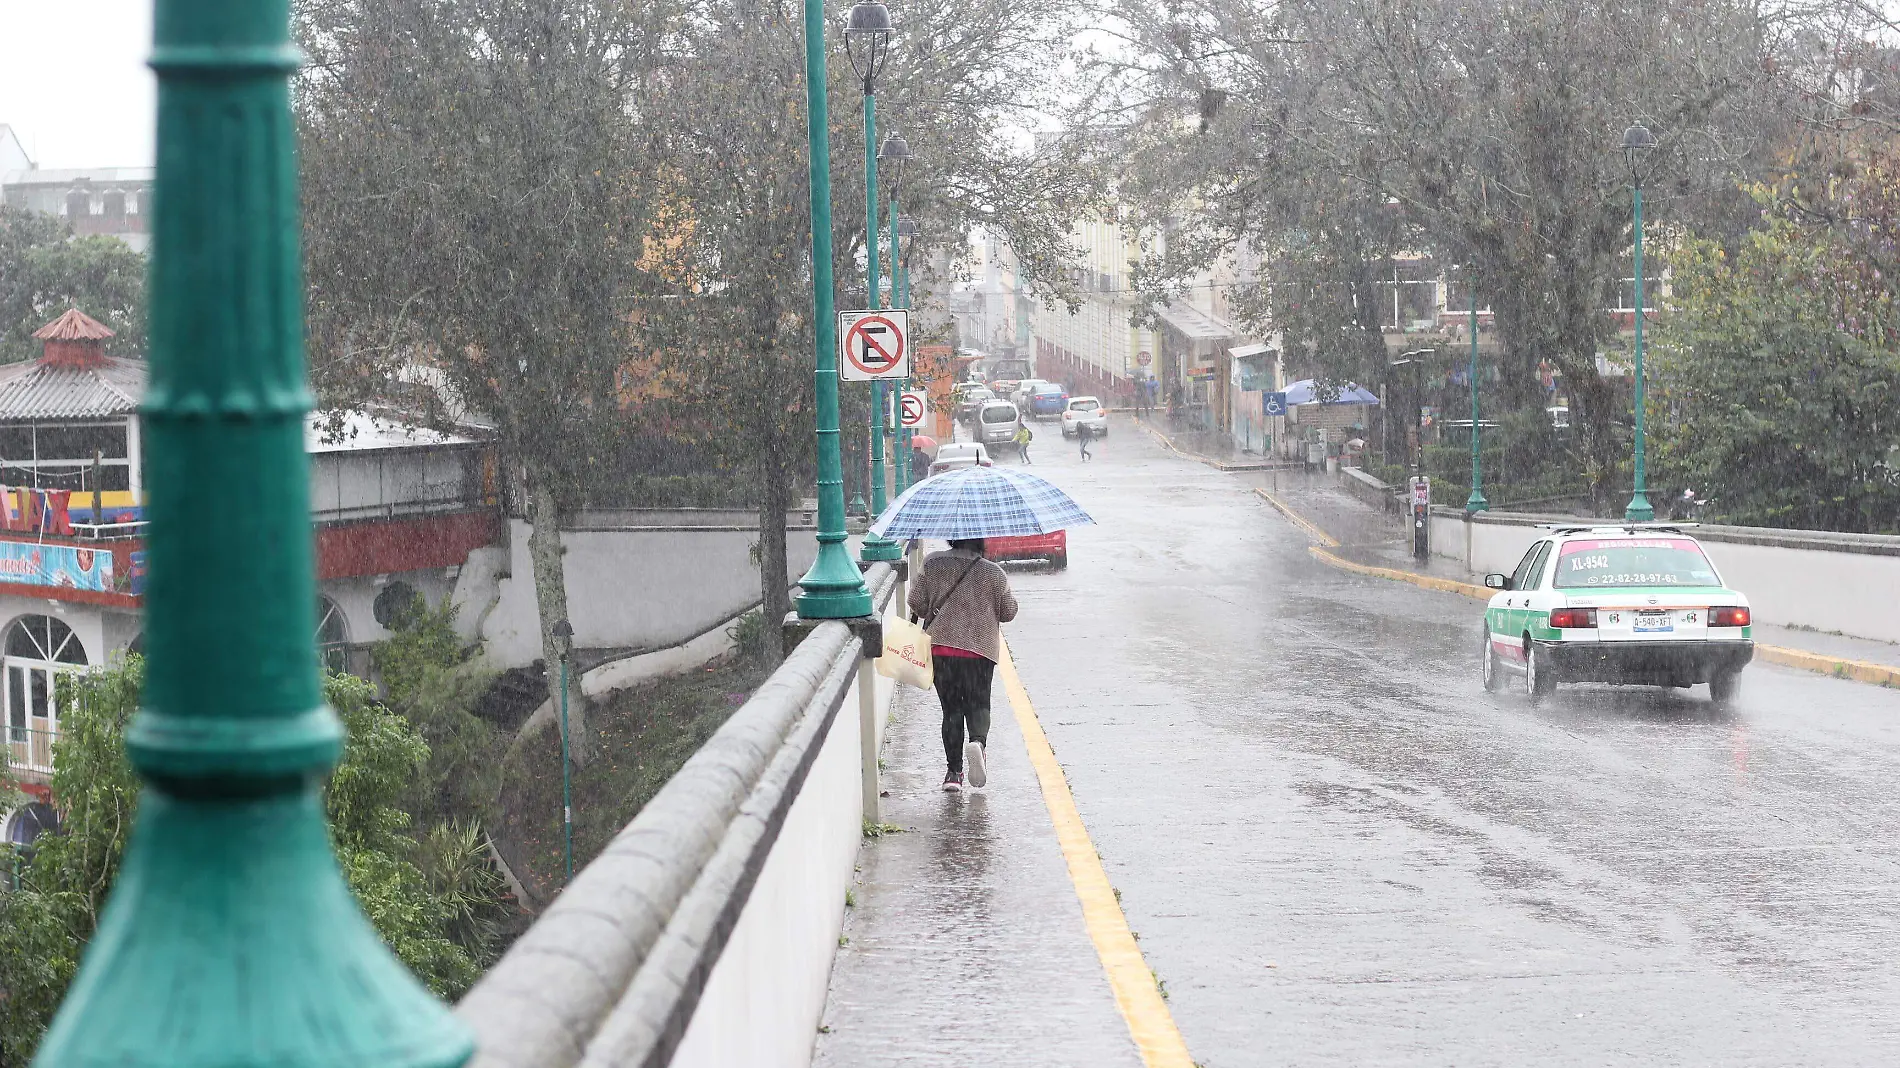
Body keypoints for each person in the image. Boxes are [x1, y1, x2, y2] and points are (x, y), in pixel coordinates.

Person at [909, 537, 1019, 791]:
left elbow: (917, 603)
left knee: (951, 710)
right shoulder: (994, 573)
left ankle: (953, 773)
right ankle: (978, 743)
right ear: (980, 540)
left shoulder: (933, 563)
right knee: (979, 703)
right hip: (980, 652)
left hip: (942, 648)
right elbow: (1008, 612)